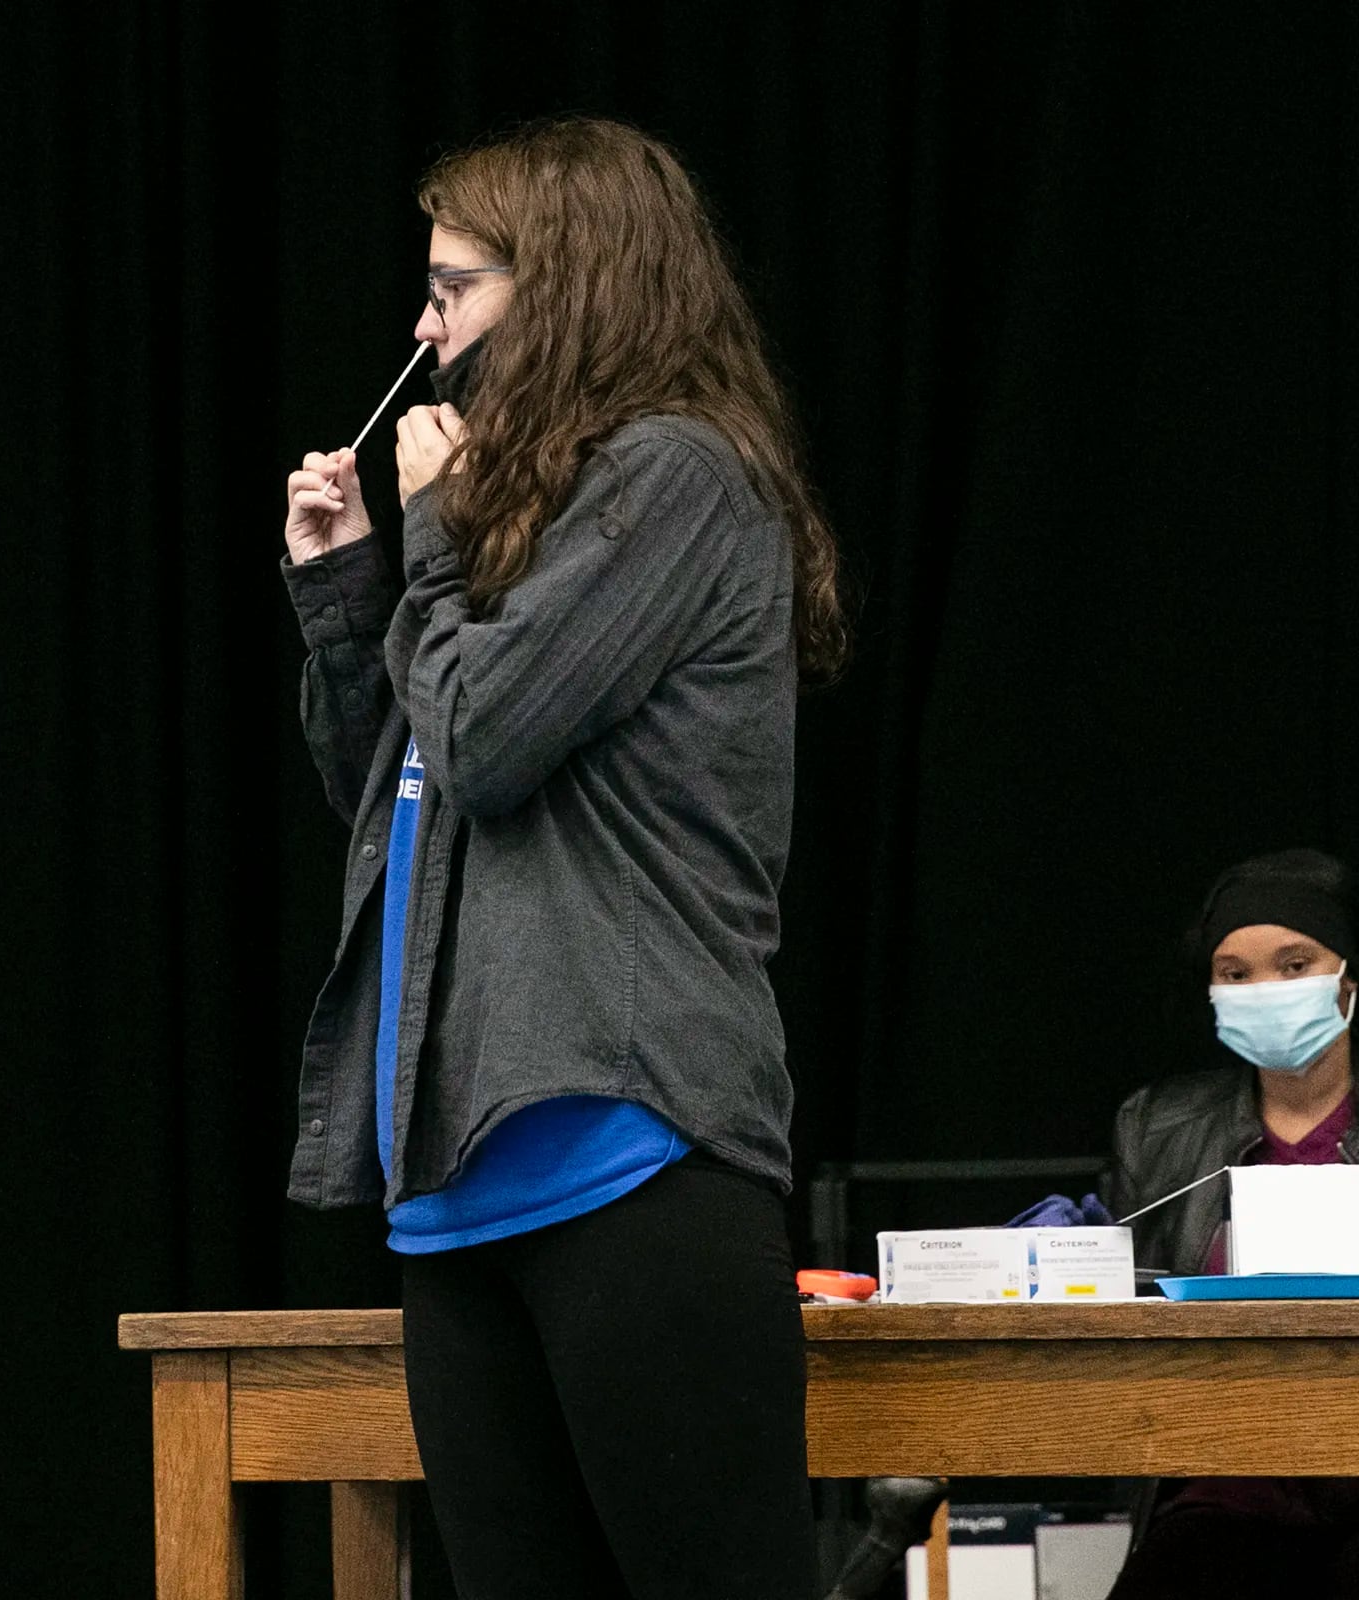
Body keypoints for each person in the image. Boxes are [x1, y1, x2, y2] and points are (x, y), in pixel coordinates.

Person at [277, 118, 843, 1600]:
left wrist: (437, 540)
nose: (424, 325)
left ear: (568, 287)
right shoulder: (519, 519)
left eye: (453, 286)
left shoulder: (677, 478)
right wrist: (347, 593)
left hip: (626, 1151)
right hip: (454, 1185)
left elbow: (486, 736)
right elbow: (396, 803)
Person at [1011, 847, 1359, 1599]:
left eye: (1294, 962)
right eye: (1235, 974)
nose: (1263, 989)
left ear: (1350, 979)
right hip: (1231, 1481)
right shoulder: (1156, 1125)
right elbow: (1124, 1321)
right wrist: (1066, 1262)